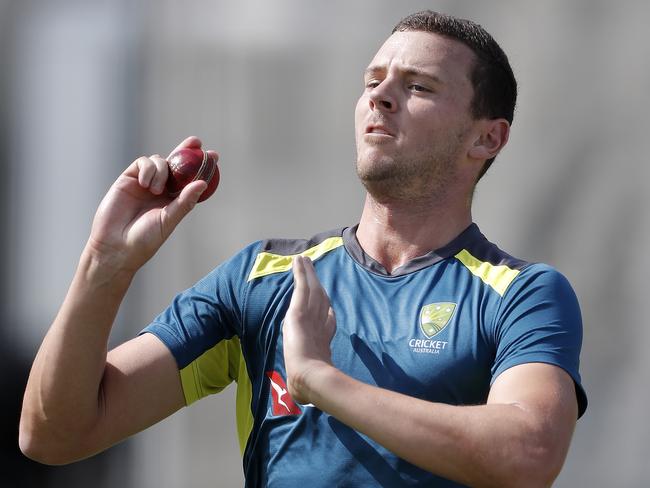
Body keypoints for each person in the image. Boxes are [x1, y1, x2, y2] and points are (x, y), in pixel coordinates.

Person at [19, 10, 587, 488]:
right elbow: (53, 433)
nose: (380, 98)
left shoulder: (521, 294)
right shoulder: (261, 278)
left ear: (487, 136)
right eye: (372, 81)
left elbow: (528, 453)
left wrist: (321, 381)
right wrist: (104, 265)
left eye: (417, 86)